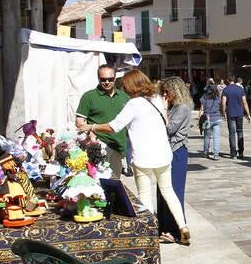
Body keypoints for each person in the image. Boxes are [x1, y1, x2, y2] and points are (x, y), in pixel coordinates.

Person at [77, 70, 190, 245]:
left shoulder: (133, 104)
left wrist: (92, 126)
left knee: (145, 194)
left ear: (130, 86)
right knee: (168, 191)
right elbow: (166, 123)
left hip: (143, 156)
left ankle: (150, 232)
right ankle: (183, 227)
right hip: (163, 153)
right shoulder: (158, 99)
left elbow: (114, 126)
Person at [75, 64, 129, 178]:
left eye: (110, 79)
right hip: (99, 146)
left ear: (115, 78)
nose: (107, 82)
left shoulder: (124, 97)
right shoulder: (89, 96)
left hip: (119, 146)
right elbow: (80, 123)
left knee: (114, 181)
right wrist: (91, 135)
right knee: (97, 182)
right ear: (98, 78)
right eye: (103, 79)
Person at [156, 77, 192, 244]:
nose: (164, 95)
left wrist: (163, 110)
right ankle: (164, 227)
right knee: (162, 190)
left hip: (176, 152)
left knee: (174, 191)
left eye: (166, 91)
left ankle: (176, 230)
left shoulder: (182, 108)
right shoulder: (174, 107)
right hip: (166, 151)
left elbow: (170, 129)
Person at [222, 74, 251, 159]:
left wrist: (223, 113)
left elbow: (223, 103)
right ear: (234, 80)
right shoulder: (240, 89)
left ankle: (233, 153)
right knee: (240, 132)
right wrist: (248, 114)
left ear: (228, 80)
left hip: (230, 113)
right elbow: (245, 102)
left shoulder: (226, 90)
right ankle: (241, 152)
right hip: (239, 113)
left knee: (232, 133)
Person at [199, 84, 223, 160]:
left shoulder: (204, 97)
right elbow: (221, 106)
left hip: (207, 119)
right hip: (217, 119)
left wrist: (199, 118)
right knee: (216, 138)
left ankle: (205, 152)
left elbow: (202, 109)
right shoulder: (218, 97)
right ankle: (216, 155)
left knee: (206, 137)